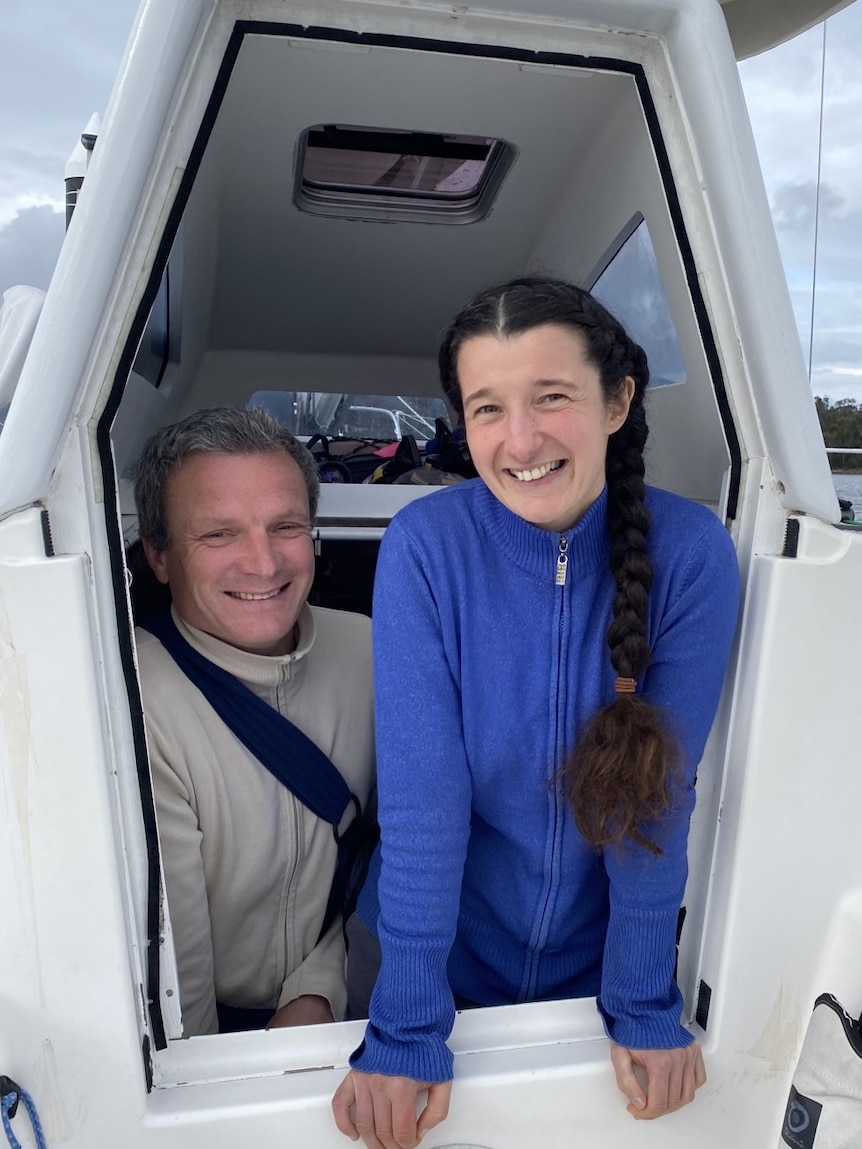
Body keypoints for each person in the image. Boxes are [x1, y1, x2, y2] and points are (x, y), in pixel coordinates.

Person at [332, 277, 739, 1144]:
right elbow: (424, 803)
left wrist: (639, 1000)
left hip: (592, 977)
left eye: (551, 397)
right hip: (420, 963)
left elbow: (653, 802)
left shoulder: (693, 554)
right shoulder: (425, 547)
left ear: (618, 400)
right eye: (487, 408)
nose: (520, 440)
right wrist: (407, 1023)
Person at [133, 406, 375, 1036]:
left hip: (346, 1013)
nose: (264, 563)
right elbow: (174, 972)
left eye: (285, 525)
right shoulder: (132, 703)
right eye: (218, 534)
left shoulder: (377, 653)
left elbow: (395, 851)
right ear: (159, 556)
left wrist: (320, 988)